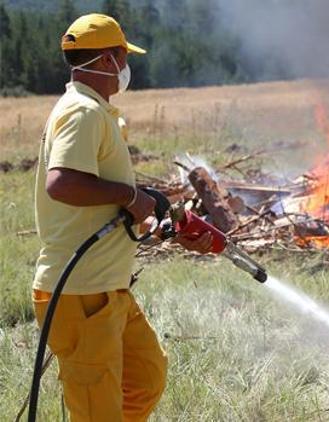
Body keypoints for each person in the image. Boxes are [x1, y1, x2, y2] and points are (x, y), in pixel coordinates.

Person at [32, 13, 211, 421]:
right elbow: (62, 184)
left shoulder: (94, 111)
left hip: (107, 289)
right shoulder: (83, 112)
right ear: (109, 59)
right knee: (98, 412)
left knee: (145, 376)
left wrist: (164, 227)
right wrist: (131, 195)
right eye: (122, 57)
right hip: (79, 294)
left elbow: (105, 205)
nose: (125, 68)